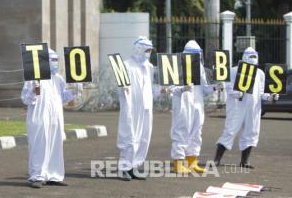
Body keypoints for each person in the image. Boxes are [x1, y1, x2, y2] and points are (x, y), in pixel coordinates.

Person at [21, 48, 81, 188]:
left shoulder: (58, 78)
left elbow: (64, 97)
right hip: (39, 116)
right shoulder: (33, 78)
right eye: (52, 60)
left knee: (55, 144)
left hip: (55, 117)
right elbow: (25, 99)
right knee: (40, 145)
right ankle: (37, 176)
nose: (55, 63)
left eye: (56, 60)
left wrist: (76, 90)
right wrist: (34, 90)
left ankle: (54, 175)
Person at [214, 47, 279, 168]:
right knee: (230, 131)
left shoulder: (260, 74)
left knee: (252, 132)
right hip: (237, 107)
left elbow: (261, 92)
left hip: (253, 108)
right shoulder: (234, 71)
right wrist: (237, 93)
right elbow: (228, 88)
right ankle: (217, 159)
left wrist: (270, 97)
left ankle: (244, 161)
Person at [169, 40, 218, 174]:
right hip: (182, 102)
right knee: (181, 130)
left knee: (196, 131)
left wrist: (215, 87)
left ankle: (192, 162)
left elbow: (205, 88)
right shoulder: (178, 66)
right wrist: (182, 89)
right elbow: (171, 88)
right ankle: (178, 162)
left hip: (197, 103)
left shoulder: (200, 68)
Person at [117, 37, 162, 181]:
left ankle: (134, 166)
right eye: (146, 50)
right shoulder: (125, 65)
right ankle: (124, 168)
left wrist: (161, 90)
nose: (148, 53)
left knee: (143, 137)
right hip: (131, 107)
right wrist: (122, 88)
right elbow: (120, 86)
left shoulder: (149, 67)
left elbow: (149, 88)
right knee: (129, 136)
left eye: (150, 50)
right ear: (139, 49)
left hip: (146, 108)